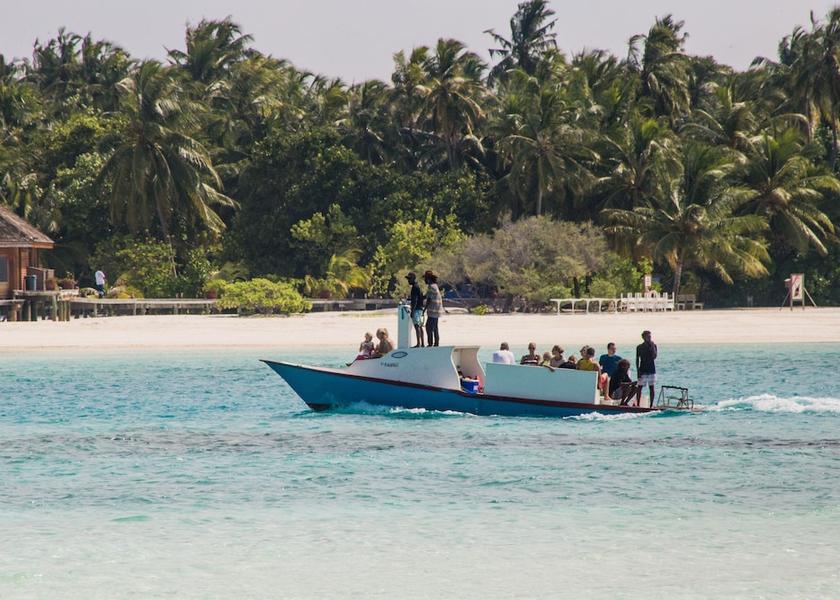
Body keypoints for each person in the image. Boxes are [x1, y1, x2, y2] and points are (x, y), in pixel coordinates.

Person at [636, 330, 658, 407]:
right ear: (643, 337)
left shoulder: (653, 345)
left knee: (651, 387)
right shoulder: (639, 347)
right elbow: (637, 359)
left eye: (650, 337)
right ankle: (638, 404)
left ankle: (651, 405)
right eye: (648, 337)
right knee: (639, 387)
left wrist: (652, 347)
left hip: (651, 369)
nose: (649, 338)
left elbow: (654, 357)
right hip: (642, 369)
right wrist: (638, 370)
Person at [423, 270, 443, 347]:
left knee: (428, 327)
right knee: (435, 327)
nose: (424, 280)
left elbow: (429, 299)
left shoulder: (431, 286)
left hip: (433, 310)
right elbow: (427, 296)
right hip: (437, 310)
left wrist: (424, 309)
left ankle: (430, 343)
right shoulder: (435, 285)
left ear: (428, 279)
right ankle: (436, 343)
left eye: (425, 278)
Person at [406, 272, 425, 347]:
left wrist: (412, 311)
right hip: (420, 308)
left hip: (416, 309)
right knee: (420, 326)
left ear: (413, 279)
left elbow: (415, 300)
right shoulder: (418, 286)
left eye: (409, 279)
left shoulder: (415, 287)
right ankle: (422, 343)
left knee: (417, 326)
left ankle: (419, 343)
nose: (408, 281)